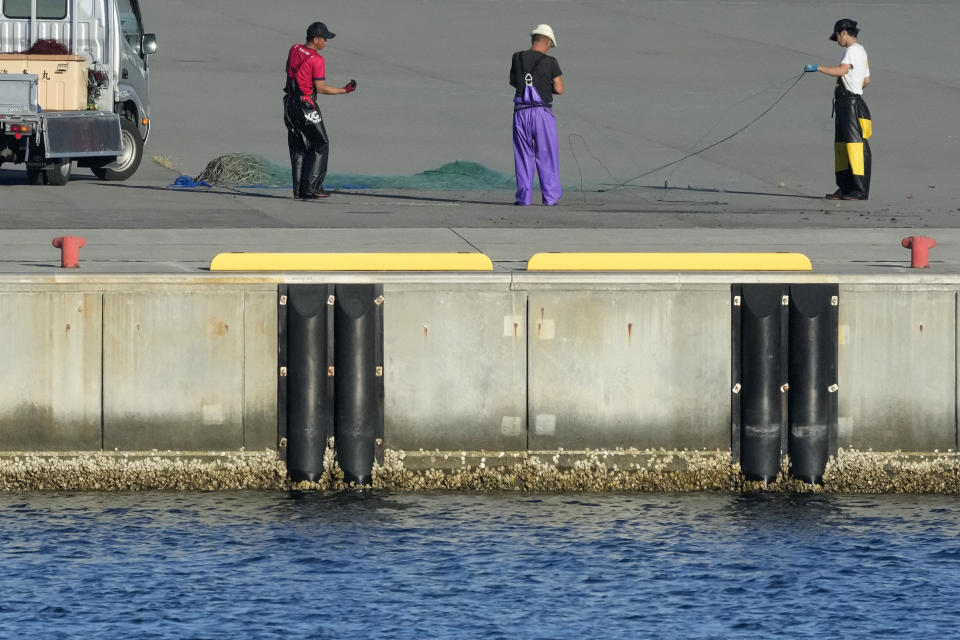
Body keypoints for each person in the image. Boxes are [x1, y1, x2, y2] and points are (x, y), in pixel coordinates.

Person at [283, 21, 357, 201]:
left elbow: (288, 68)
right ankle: (312, 188)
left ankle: (299, 190)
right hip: (305, 106)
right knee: (320, 144)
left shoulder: (294, 48)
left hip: (289, 103)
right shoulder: (317, 59)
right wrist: (344, 90)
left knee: (298, 147)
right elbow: (321, 88)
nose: (326, 42)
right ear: (315, 39)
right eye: (324, 39)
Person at [804, 18, 872, 201]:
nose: (837, 42)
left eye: (837, 37)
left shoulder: (853, 50)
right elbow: (866, 80)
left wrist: (818, 68)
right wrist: (854, 87)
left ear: (843, 32)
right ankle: (844, 188)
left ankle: (858, 190)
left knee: (855, 147)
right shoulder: (861, 51)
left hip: (851, 105)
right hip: (846, 103)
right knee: (842, 147)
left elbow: (841, 71)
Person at [510, 24, 564, 206]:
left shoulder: (517, 57)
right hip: (542, 114)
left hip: (521, 113)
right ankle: (550, 197)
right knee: (546, 155)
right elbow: (559, 88)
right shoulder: (551, 62)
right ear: (547, 42)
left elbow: (513, 82)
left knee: (523, 155)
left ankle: (523, 198)